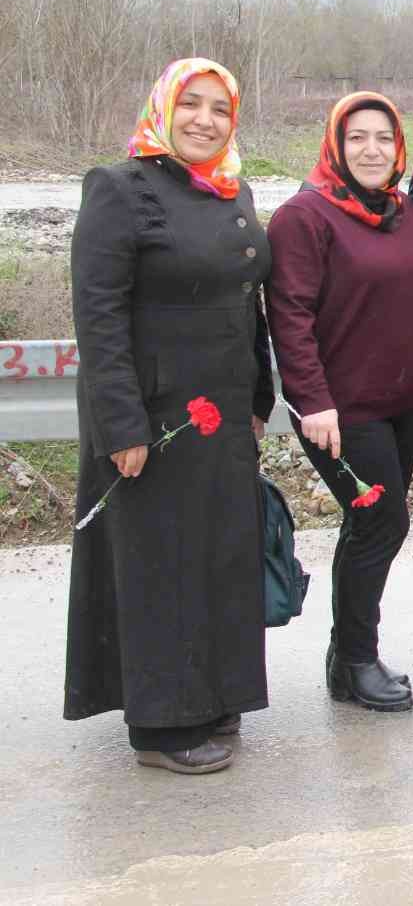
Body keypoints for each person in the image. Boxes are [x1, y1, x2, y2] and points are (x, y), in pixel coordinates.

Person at [64, 58, 275, 774]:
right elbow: (97, 318)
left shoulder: (232, 188)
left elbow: (250, 304)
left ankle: (214, 695)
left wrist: (258, 398)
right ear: (163, 108)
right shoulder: (120, 189)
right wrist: (121, 425)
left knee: (219, 558)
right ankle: (160, 725)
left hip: (222, 413)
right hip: (153, 418)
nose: (204, 120)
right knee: (161, 563)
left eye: (220, 108)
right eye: (191, 104)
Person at [266, 91, 413, 712]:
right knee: (381, 522)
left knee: (370, 525)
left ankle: (347, 658)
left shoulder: (406, 211)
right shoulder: (304, 217)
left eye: (384, 139)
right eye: (357, 137)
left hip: (397, 403)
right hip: (338, 411)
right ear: (335, 145)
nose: (372, 150)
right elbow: (289, 316)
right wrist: (311, 400)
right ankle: (357, 661)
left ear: (400, 148)